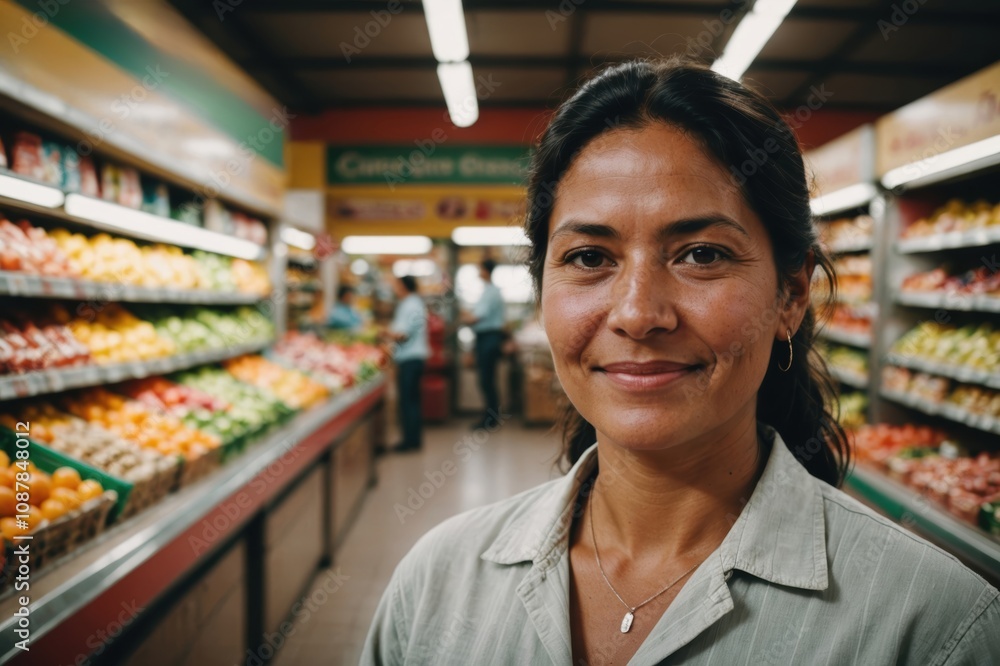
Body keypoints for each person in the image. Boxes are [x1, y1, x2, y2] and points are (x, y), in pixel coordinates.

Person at [362, 60, 1000, 665]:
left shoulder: (936, 626)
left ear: (792, 294)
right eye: (589, 257)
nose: (638, 314)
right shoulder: (437, 583)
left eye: (701, 255)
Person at [385, 275, 429, 452]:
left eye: (396, 285)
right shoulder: (415, 303)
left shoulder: (409, 305)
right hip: (415, 358)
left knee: (408, 401)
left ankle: (410, 441)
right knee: (413, 400)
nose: (394, 289)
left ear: (403, 286)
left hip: (409, 359)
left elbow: (402, 335)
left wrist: (383, 334)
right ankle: (414, 439)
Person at [463, 259, 506, 429]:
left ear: (486, 271)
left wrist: (465, 318)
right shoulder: (489, 291)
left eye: (479, 269)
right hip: (487, 338)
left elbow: (477, 316)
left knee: (486, 379)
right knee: (487, 379)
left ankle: (490, 419)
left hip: (489, 338)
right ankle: (491, 417)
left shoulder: (490, 292)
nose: (478, 272)